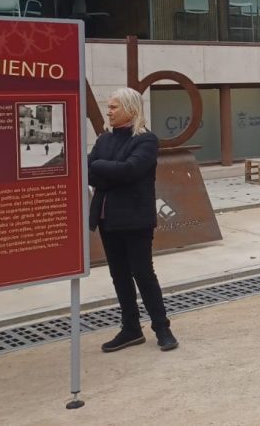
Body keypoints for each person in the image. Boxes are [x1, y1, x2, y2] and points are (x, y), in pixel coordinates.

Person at [88, 87, 178, 353]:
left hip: (135, 219)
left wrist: (98, 167)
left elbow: (130, 170)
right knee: (119, 276)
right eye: (109, 106)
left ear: (131, 108)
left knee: (143, 273)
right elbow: (90, 174)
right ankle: (130, 329)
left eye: (114, 107)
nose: (109, 111)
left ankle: (162, 328)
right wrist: (104, 169)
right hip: (107, 219)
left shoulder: (146, 140)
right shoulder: (104, 140)